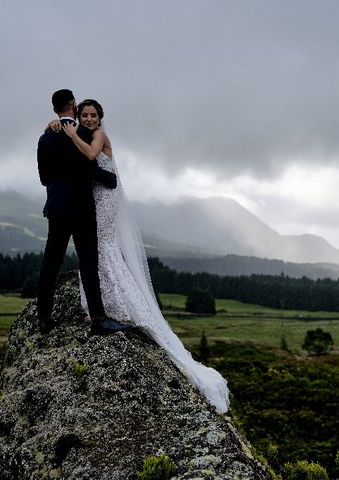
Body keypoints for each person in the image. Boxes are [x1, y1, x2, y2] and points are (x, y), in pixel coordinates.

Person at [51, 98, 230, 413]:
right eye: (84, 115)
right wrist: (56, 125)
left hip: (104, 199)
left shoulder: (98, 137)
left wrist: (69, 133)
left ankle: (117, 302)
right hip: (92, 195)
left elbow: (91, 156)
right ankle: (103, 301)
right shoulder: (79, 129)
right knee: (97, 247)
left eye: (94, 115)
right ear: (77, 115)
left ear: (101, 118)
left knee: (103, 245)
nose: (89, 119)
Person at [37, 89, 126, 335]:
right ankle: (98, 319)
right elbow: (88, 168)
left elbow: (44, 178)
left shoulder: (45, 138)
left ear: (55, 110)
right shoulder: (84, 133)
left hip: (56, 207)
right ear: (74, 106)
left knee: (51, 262)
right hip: (81, 207)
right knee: (88, 262)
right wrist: (109, 177)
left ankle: (44, 318)